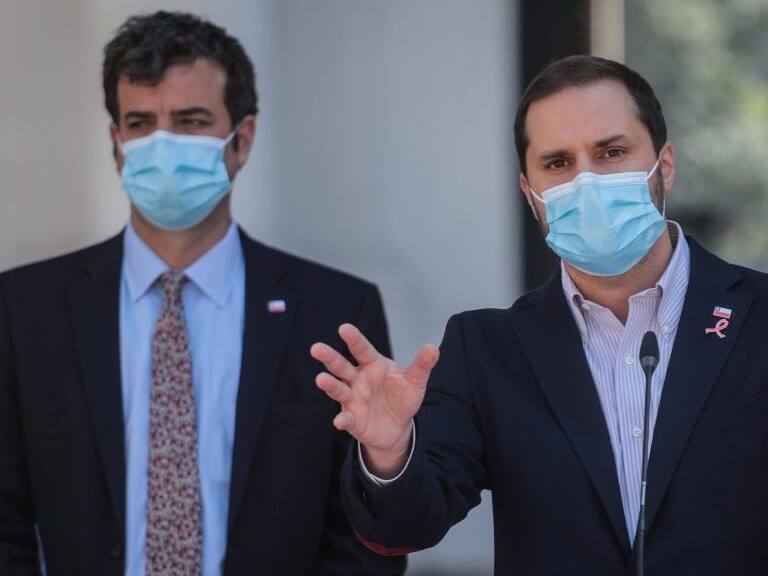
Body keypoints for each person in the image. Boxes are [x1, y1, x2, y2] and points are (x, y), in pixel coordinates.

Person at [311, 55, 768, 575]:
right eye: (558, 164)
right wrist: (390, 453)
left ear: (663, 165)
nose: (586, 182)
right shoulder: (486, 349)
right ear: (531, 194)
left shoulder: (760, 317)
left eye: (612, 152)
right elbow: (406, 527)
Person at [0, 11, 404, 576]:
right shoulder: (26, 310)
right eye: (140, 123)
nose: (162, 147)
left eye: (190, 121)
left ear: (243, 138)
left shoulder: (334, 312)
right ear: (115, 142)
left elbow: (364, 533)